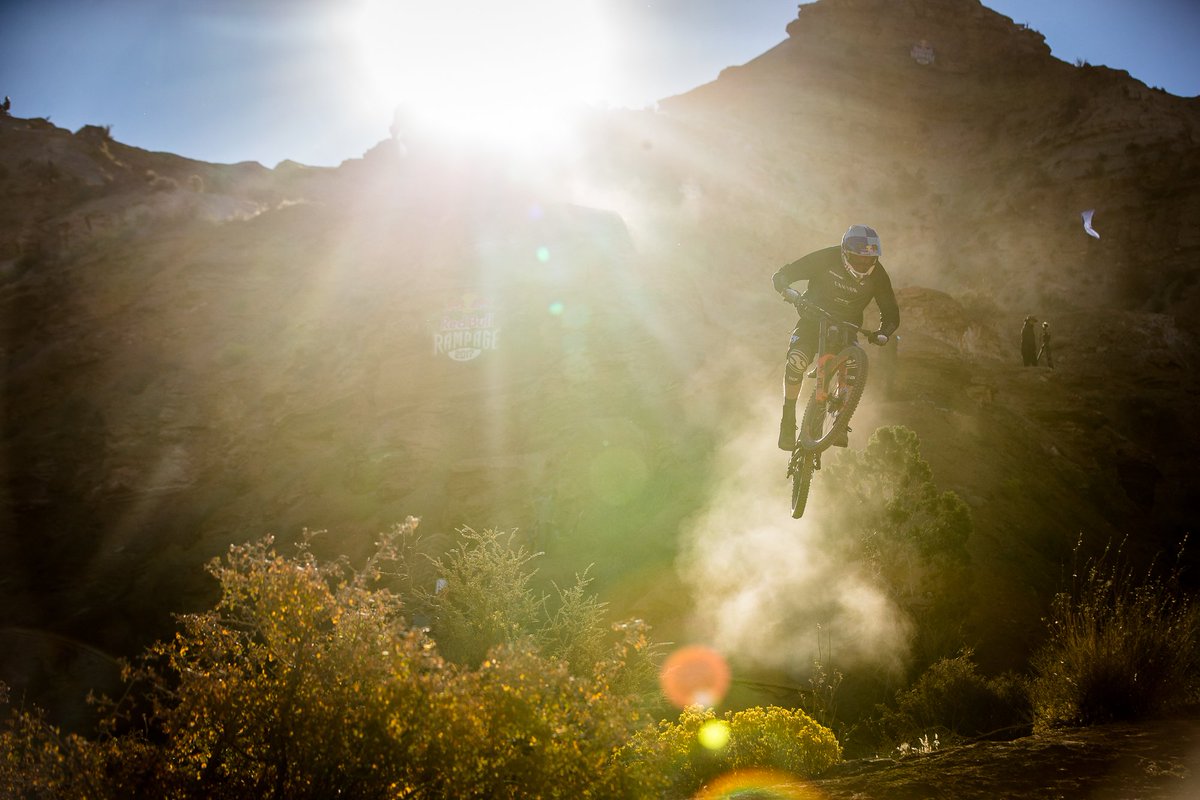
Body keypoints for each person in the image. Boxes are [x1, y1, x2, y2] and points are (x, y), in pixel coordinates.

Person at [772, 224, 900, 450]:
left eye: (868, 260)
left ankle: (840, 419)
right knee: (797, 360)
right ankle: (788, 417)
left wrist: (884, 332)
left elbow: (890, 312)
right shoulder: (826, 258)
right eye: (857, 259)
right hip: (812, 319)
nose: (863, 264)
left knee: (852, 366)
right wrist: (786, 288)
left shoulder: (878, 275)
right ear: (844, 253)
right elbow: (785, 274)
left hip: (847, 327)